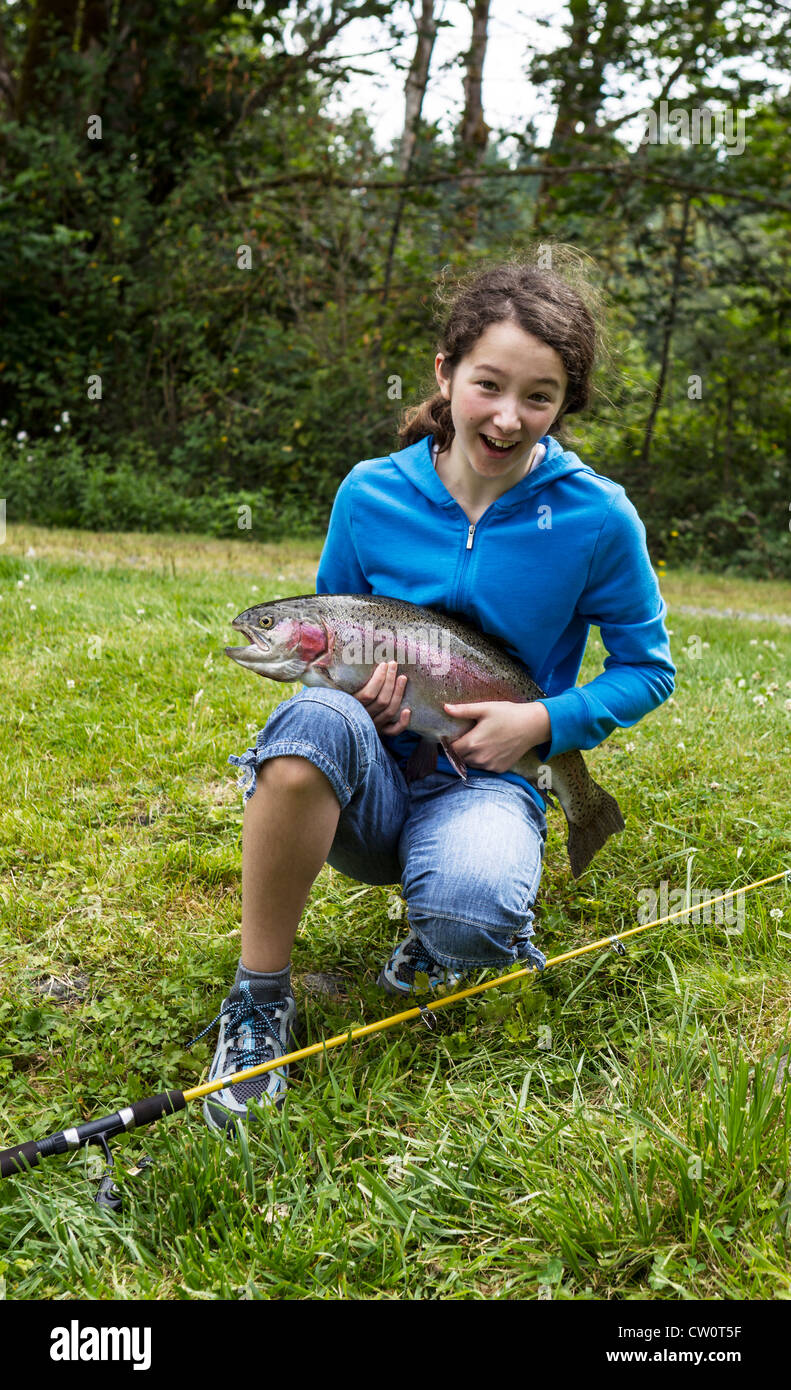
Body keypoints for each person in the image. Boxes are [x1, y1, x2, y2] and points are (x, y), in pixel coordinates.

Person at [193, 252, 676, 1133]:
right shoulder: (370, 492)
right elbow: (340, 620)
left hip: (486, 780)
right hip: (368, 777)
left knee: (472, 919)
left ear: (564, 404)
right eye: (487, 384)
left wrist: (541, 720)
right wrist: (358, 704)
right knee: (310, 715)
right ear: (446, 373)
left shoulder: (597, 517)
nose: (506, 416)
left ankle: (443, 919)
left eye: (538, 396)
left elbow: (648, 668)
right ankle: (258, 997)